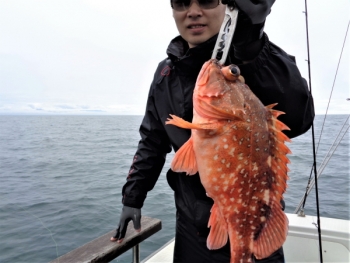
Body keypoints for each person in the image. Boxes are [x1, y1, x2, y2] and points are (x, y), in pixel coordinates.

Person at [111, 0, 315, 262]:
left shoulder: (251, 59)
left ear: (229, 6)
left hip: (254, 225)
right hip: (190, 228)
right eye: (182, 2)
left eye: (207, 0)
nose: (193, 12)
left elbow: (300, 117)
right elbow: (152, 141)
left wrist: (253, 45)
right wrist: (132, 197)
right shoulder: (165, 75)